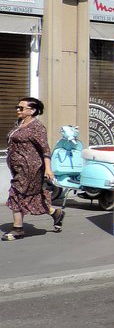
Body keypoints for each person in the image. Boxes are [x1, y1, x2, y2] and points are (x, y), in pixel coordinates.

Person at [5, 97, 63, 240]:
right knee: (31, 196)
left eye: (21, 108)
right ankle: (55, 213)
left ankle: (18, 229)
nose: (18, 110)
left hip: (31, 167)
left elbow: (45, 149)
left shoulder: (37, 127)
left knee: (16, 193)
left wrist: (48, 169)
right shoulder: (19, 123)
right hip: (18, 168)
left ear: (32, 111)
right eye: (17, 107)